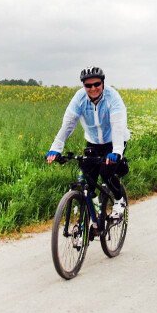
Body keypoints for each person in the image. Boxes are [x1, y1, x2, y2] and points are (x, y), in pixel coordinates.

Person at [46, 66, 130, 218]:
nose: (93, 88)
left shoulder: (113, 97)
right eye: (88, 85)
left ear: (103, 83)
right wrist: (56, 148)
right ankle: (98, 213)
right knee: (88, 181)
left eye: (97, 84)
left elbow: (118, 125)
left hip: (114, 141)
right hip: (93, 142)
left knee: (106, 172)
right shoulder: (79, 98)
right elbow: (68, 124)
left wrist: (117, 151)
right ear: (83, 86)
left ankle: (119, 199)